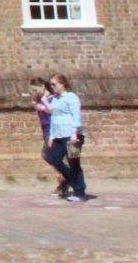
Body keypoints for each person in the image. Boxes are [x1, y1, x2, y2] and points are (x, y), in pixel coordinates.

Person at [42, 73, 86, 202]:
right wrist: (51, 135)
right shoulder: (55, 98)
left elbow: (76, 115)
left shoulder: (71, 97)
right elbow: (54, 115)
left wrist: (74, 132)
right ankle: (73, 180)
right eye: (51, 84)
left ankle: (79, 192)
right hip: (58, 135)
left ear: (63, 84)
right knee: (52, 157)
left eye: (54, 84)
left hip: (71, 134)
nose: (52, 87)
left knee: (73, 162)